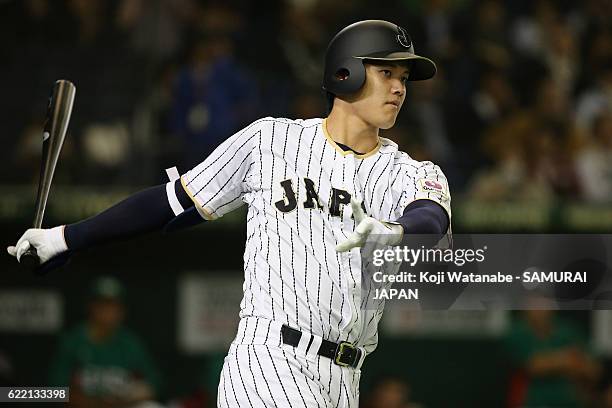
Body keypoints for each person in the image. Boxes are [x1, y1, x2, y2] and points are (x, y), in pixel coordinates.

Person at [8, 20, 451, 407]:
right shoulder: (270, 141)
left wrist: (396, 231)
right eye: (386, 72)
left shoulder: (409, 172)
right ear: (345, 72)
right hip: (270, 360)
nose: (398, 87)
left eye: (404, 78)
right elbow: (170, 203)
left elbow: (430, 220)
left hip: (346, 376)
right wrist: (65, 237)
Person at [48, 276, 162, 408]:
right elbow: (55, 391)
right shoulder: (73, 341)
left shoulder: (130, 343)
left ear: (122, 311)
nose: (108, 312)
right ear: (91, 307)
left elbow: (154, 383)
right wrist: (95, 403)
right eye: (103, 305)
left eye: (113, 306)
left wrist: (135, 394)